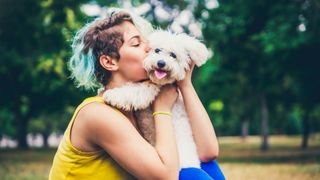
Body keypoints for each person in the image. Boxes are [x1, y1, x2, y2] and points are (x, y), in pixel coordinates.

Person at [49, 9, 225, 180]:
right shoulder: (96, 113)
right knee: (191, 175)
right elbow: (166, 177)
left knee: (207, 166)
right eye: (136, 43)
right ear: (109, 62)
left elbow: (208, 152)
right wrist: (163, 108)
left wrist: (185, 85)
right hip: (167, 175)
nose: (149, 49)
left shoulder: (143, 103)